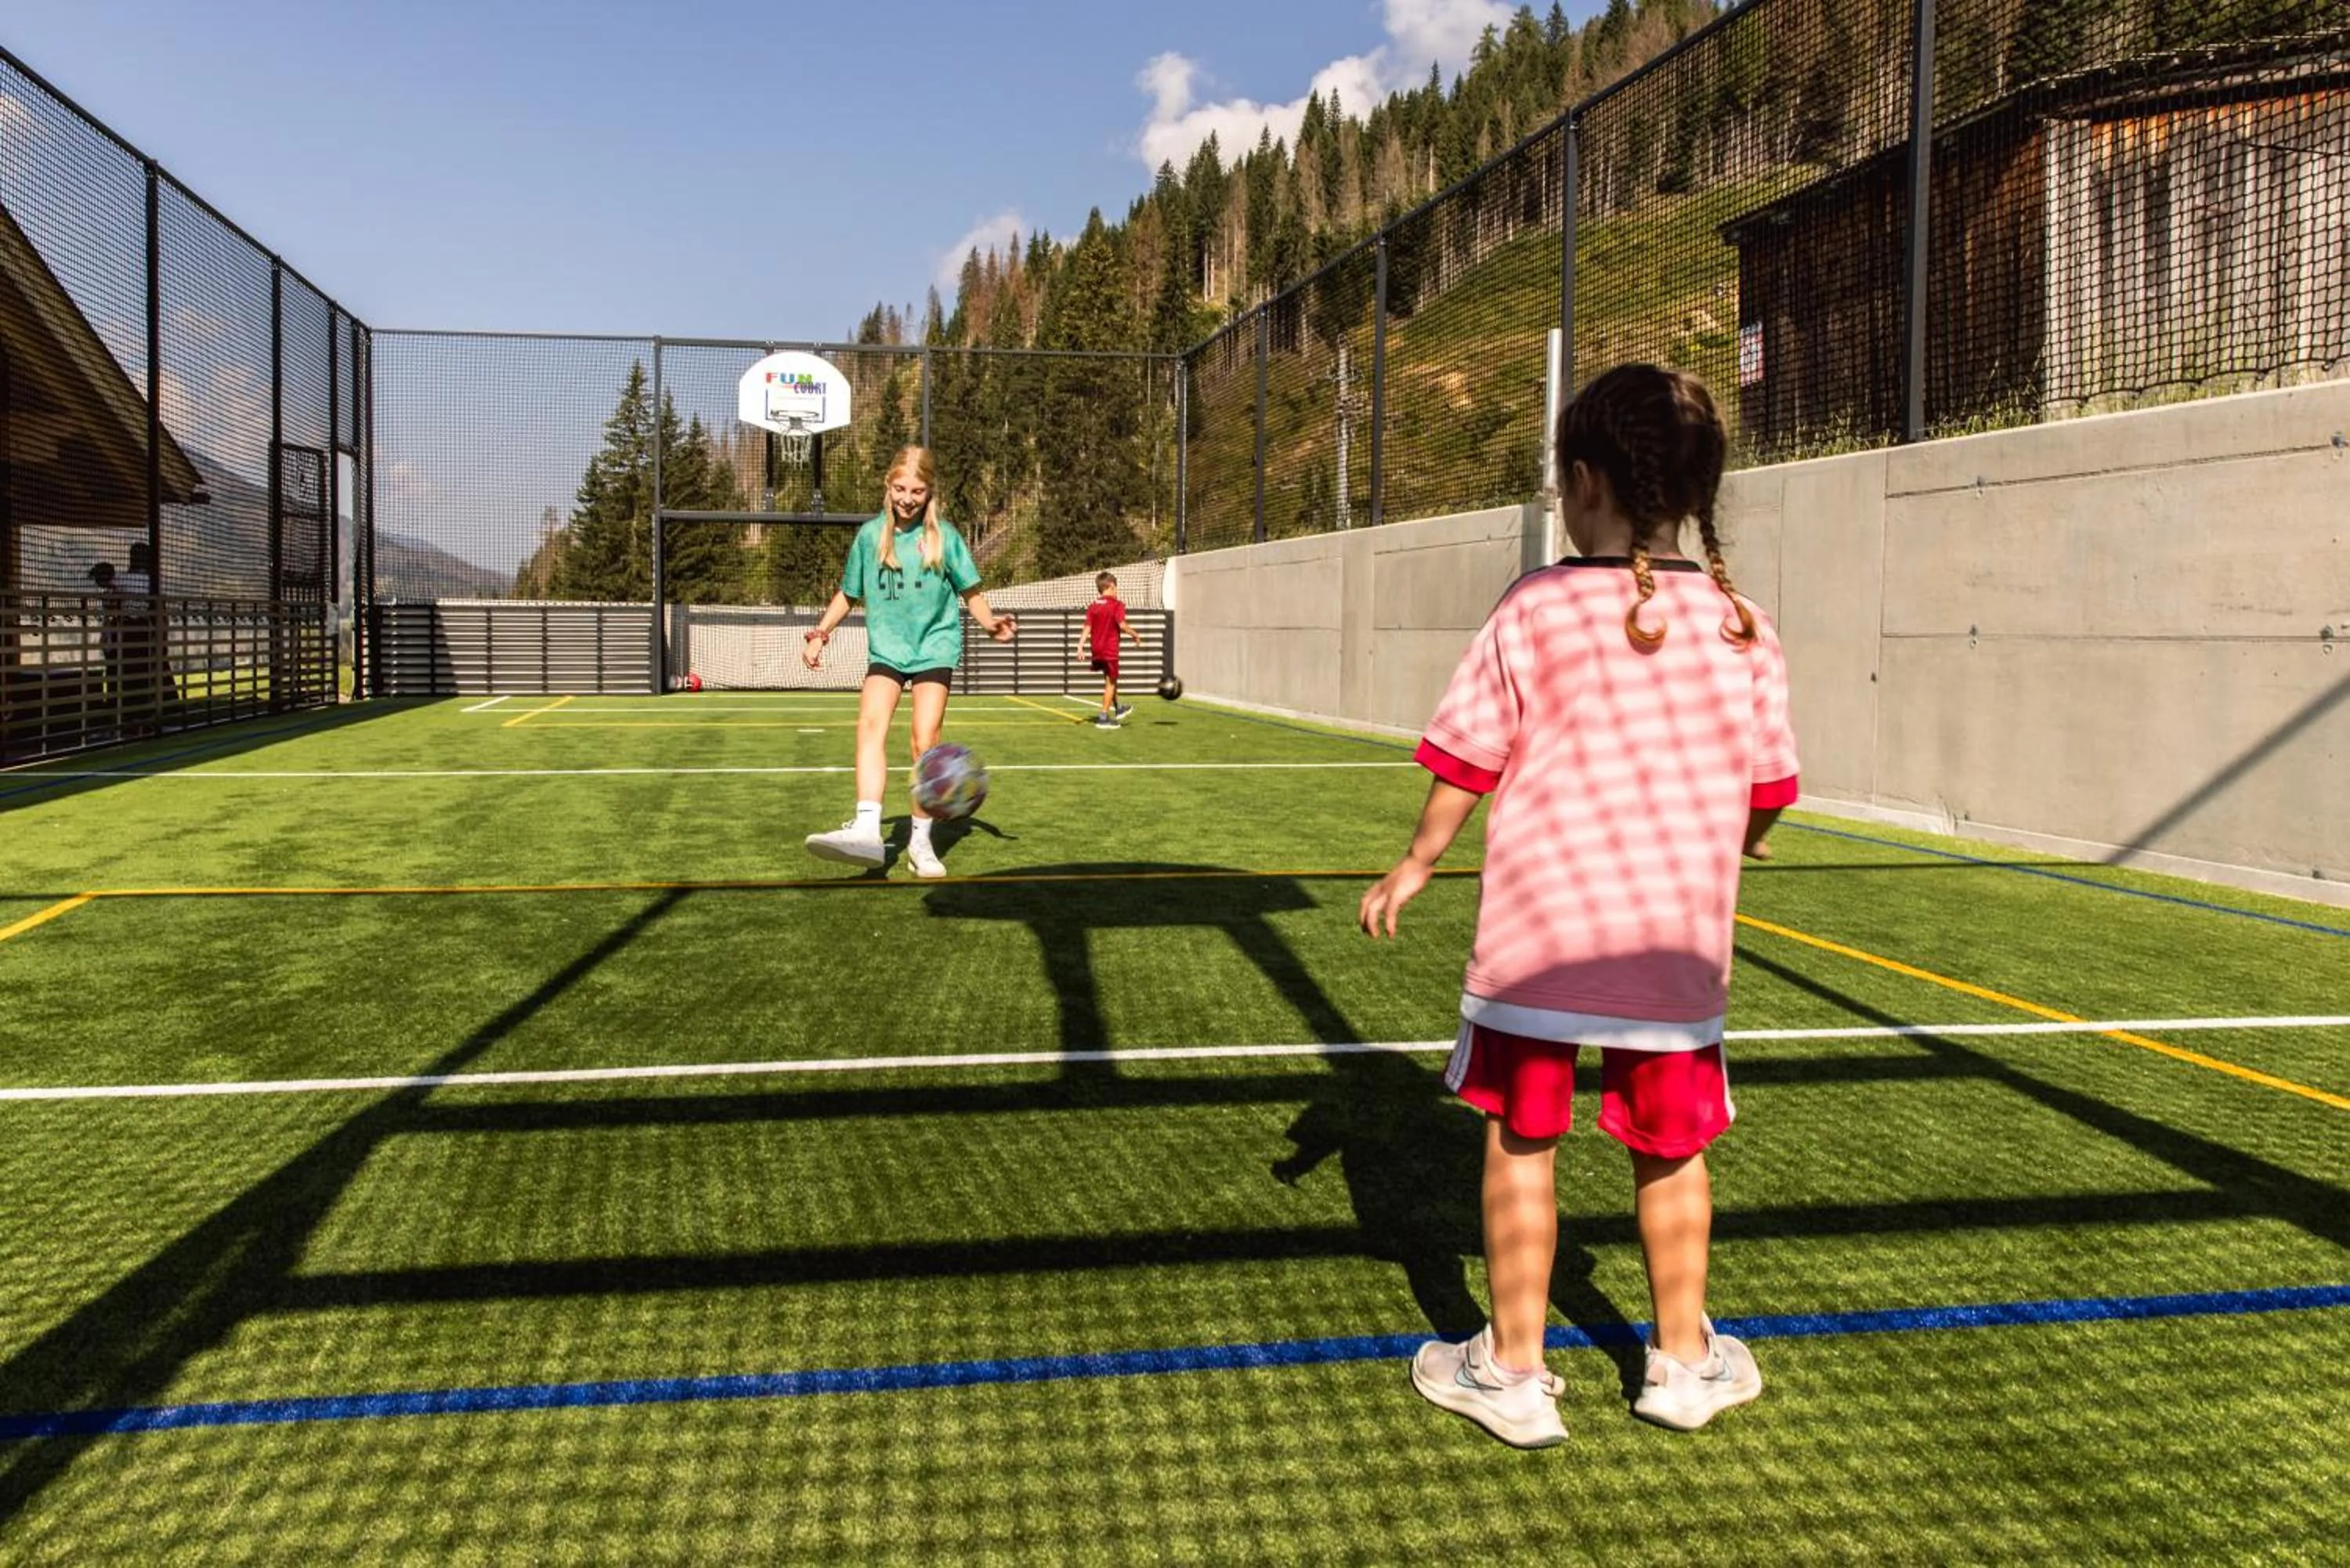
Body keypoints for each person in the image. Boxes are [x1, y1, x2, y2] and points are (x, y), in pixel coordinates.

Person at [1359, 364, 1799, 1448]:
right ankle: (1684, 1363)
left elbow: (1468, 756)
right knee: (1673, 1149)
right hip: (1672, 951)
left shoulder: (1537, 605)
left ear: (1587, 481)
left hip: (1539, 945)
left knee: (1522, 1141)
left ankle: (1511, 1372)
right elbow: (1768, 790)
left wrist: (1415, 862)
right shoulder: (1742, 626)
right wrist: (1738, 839)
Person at [800, 446, 1016, 879]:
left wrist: (990, 623)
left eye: (917, 491)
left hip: (934, 647)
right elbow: (849, 593)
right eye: (900, 489)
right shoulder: (870, 537)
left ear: (929, 492)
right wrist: (821, 633)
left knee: (925, 741)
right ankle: (867, 829)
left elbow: (971, 593)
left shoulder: (945, 538)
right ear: (888, 486)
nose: (907, 498)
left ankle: (920, 842)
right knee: (870, 724)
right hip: (887, 650)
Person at [1079, 570, 1143, 728]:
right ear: (1111, 587)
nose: (1117, 591)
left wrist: (1080, 647)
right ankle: (1103, 718)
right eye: (1116, 588)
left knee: (1110, 678)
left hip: (1096, 649)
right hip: (1110, 650)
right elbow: (1122, 625)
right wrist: (1135, 635)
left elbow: (1087, 627)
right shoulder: (1117, 605)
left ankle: (1118, 708)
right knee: (1111, 682)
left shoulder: (1093, 606)